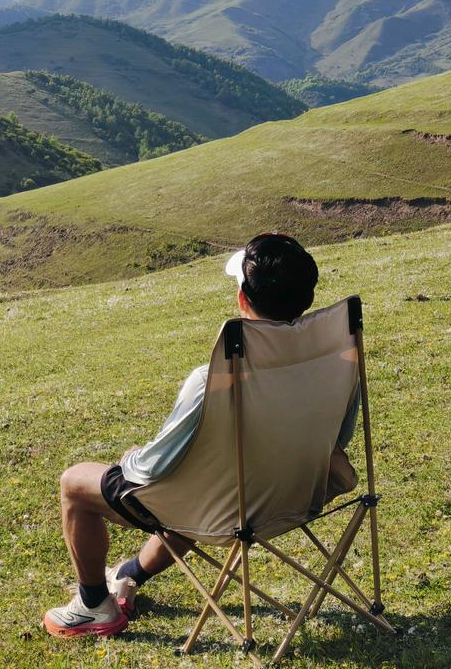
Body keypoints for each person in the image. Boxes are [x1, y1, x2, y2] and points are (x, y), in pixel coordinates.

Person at [43, 232, 358, 639]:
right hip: (298, 494)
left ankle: (92, 606)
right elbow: (339, 440)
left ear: (243, 300)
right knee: (203, 479)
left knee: (76, 483)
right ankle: (129, 574)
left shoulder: (215, 379)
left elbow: (155, 469)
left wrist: (130, 458)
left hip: (224, 510)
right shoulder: (339, 361)